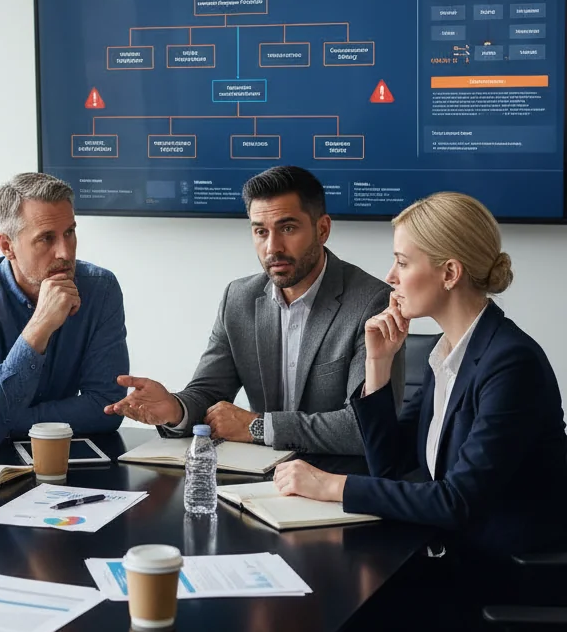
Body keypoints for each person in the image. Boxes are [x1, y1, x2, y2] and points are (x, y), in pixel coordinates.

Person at [271, 191, 567, 632]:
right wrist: (378, 366)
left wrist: (330, 486)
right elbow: (394, 468)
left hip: (508, 590)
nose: (391, 275)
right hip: (465, 565)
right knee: (342, 586)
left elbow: (456, 501)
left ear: (450, 272)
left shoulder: (510, 363)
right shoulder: (453, 355)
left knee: (347, 605)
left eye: (404, 261)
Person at [106, 166, 402, 454]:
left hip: (335, 479)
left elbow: (362, 428)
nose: (273, 247)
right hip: (257, 477)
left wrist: (257, 426)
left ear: (322, 229)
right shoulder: (239, 298)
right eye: (261, 231)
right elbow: (208, 393)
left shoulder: (371, 302)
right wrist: (174, 408)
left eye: (287, 228)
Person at [0, 172, 128, 446]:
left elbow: (107, 408)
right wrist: (39, 326)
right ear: (7, 246)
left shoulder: (101, 289)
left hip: (62, 454)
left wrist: (0, 422)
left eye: (70, 233)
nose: (65, 252)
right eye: (47, 238)